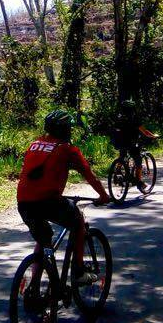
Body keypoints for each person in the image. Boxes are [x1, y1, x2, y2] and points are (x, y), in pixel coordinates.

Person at [17, 110, 111, 286]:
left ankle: (34, 286)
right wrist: (104, 195)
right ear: (67, 130)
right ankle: (79, 272)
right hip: (48, 201)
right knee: (78, 222)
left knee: (43, 240)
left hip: (24, 203)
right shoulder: (68, 149)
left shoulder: (34, 144)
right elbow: (90, 176)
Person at [112, 100, 158, 192]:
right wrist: (153, 136)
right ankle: (139, 182)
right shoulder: (134, 119)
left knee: (122, 156)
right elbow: (144, 132)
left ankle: (117, 172)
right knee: (138, 161)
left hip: (119, 142)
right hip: (131, 143)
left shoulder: (119, 118)